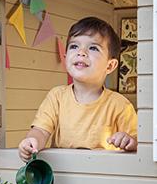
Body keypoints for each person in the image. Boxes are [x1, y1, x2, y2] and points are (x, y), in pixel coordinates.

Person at [18, 17, 137, 162]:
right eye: (74, 46)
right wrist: (32, 141)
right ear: (65, 56)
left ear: (110, 66)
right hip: (63, 175)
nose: (81, 52)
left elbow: (138, 143)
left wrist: (129, 141)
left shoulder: (120, 105)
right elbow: (41, 130)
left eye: (93, 48)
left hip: (103, 176)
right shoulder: (57, 97)